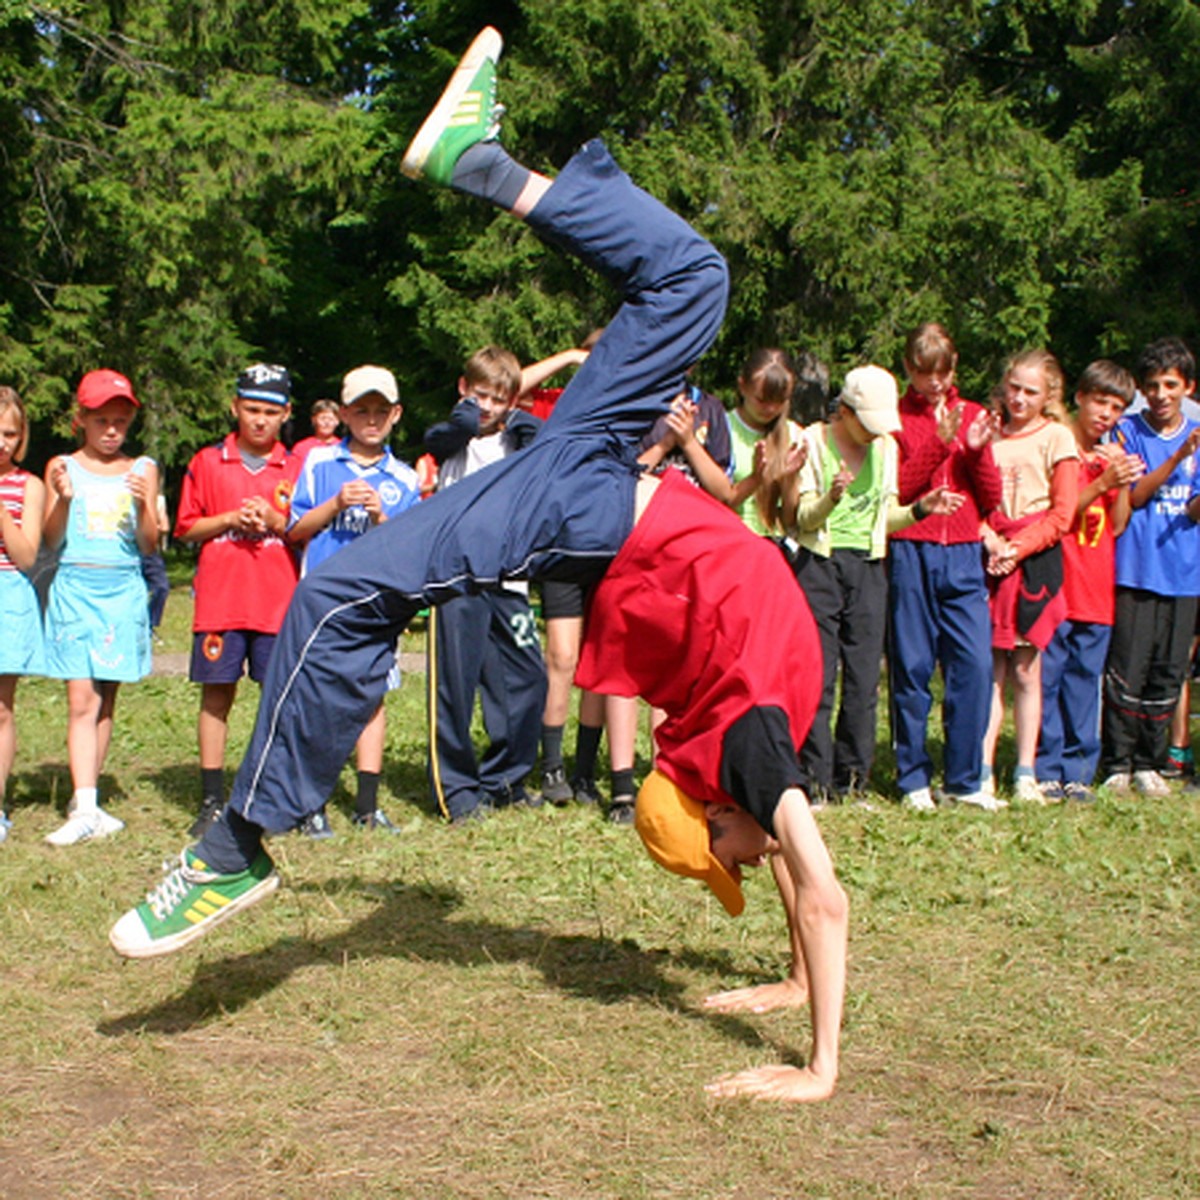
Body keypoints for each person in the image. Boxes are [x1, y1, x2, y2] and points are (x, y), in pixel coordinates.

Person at [111, 28, 847, 1106]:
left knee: (344, 587)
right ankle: (238, 845)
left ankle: (244, 829)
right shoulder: (747, 747)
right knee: (692, 276)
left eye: (725, 853)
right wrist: (820, 1070)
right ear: (715, 803)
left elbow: (788, 857)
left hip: (596, 472)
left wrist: (792, 981)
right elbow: (819, 889)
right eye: (728, 854)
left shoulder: (742, 751)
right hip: (587, 487)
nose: (740, 857)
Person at [789, 366, 963, 803]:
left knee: (865, 680)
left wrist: (922, 509)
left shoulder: (885, 448)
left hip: (868, 568)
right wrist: (831, 497)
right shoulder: (812, 442)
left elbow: (887, 518)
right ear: (843, 412)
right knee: (819, 677)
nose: (873, 434)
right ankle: (814, 780)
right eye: (866, 424)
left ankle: (853, 780)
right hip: (819, 566)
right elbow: (802, 519)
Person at [287, 365, 421, 833]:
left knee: (372, 697)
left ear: (396, 414)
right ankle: (310, 803)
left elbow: (411, 549)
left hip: (375, 605)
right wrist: (336, 505)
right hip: (323, 602)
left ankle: (367, 804)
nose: (370, 419)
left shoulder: (404, 479)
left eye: (380, 411)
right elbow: (295, 530)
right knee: (318, 699)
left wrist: (382, 516)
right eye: (360, 410)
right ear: (343, 413)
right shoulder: (319, 464)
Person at [422, 345, 546, 823]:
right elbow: (441, 434)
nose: (489, 407)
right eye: (480, 396)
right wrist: (468, 417)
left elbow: (548, 446)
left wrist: (523, 423)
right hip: (456, 578)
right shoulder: (454, 439)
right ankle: (456, 788)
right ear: (463, 390)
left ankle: (505, 778)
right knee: (455, 685)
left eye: (499, 399)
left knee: (527, 677)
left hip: (508, 579)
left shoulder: (518, 439)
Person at [177, 363, 301, 837]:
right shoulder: (208, 462)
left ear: (286, 413)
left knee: (279, 700)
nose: (259, 420)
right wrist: (230, 517)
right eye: (251, 409)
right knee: (216, 696)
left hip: (277, 604)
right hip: (222, 603)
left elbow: (305, 531)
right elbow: (186, 527)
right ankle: (212, 798)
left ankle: (276, 794)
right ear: (234, 407)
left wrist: (273, 520)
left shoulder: (298, 465)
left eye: (270, 412)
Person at [888, 323, 1003, 811]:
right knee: (912, 665)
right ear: (908, 370)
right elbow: (899, 487)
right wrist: (938, 442)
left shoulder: (973, 413)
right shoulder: (895, 420)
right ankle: (913, 777)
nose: (932, 382)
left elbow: (992, 498)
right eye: (921, 373)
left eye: (941, 372)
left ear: (953, 369)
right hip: (912, 546)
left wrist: (974, 450)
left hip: (962, 552)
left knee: (974, 665)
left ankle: (964, 779)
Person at [42, 369, 159, 845]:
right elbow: (51, 540)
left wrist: (145, 506)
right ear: (81, 421)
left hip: (122, 591)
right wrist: (64, 501)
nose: (112, 431)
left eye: (121, 421)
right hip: (75, 587)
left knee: (106, 698)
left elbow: (149, 545)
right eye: (102, 421)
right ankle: (85, 807)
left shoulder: (142, 469)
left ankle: (86, 798)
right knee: (79, 698)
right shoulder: (63, 467)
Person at [1037, 361, 1142, 802]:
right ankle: (1046, 767)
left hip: (1097, 589)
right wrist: (1100, 484)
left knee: (1085, 681)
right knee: (1049, 679)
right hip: (1060, 584)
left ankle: (1079, 769)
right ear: (1079, 397)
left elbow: (1117, 525)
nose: (1106, 414)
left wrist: (1121, 482)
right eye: (1100, 401)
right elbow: (1056, 516)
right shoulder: (1061, 450)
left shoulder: (1108, 457)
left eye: (1117, 407)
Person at [978, 350, 1079, 803]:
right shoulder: (987, 433)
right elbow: (972, 500)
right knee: (989, 670)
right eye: (1013, 387)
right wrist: (991, 541)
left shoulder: (1057, 436)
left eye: (1030, 391)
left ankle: (1024, 769)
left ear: (1048, 395)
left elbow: (1063, 514)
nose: (1019, 398)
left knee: (1026, 669)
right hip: (990, 555)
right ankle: (980, 768)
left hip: (1033, 560)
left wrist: (1017, 549)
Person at [1101, 338, 1200, 793]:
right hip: (1137, 568)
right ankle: (1118, 762)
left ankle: (1151, 760)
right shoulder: (1127, 431)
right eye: (1153, 386)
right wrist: (1178, 460)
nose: (1161, 395)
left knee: (1169, 669)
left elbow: (1193, 510)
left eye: (1170, 385)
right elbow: (1136, 496)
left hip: (1184, 573)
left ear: (1187, 387)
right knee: (1129, 666)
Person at [0, 387, 46, 844]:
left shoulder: (28, 486)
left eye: (10, 434)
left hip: (7, 595)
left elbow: (28, 555)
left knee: (0, 708)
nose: (2, 443)